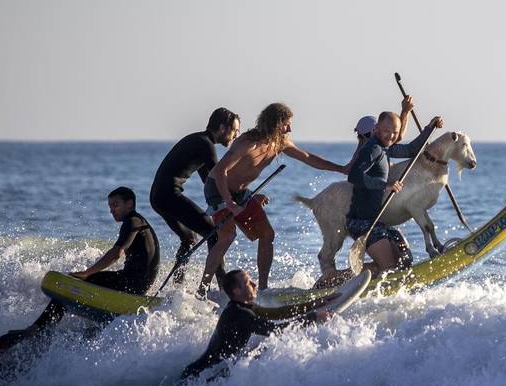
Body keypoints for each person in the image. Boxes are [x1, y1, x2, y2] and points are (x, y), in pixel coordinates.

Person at [198, 102, 348, 296]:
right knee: (228, 236)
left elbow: (308, 157)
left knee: (267, 235)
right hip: (218, 189)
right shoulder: (247, 142)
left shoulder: (281, 143)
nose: (290, 129)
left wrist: (341, 169)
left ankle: (262, 289)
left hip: (240, 193)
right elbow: (220, 171)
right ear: (275, 123)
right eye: (287, 124)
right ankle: (202, 290)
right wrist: (229, 203)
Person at [0, 187, 160, 353]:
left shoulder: (132, 221)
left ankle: (38, 329)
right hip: (136, 283)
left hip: (131, 283)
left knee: (78, 284)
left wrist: (88, 272)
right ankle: (82, 335)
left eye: (115, 205)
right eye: (110, 206)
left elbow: (116, 253)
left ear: (129, 204)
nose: (111, 210)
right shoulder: (138, 222)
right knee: (86, 285)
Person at [181, 269, 330, 381]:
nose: (255, 284)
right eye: (249, 283)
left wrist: (316, 303)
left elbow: (277, 313)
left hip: (205, 374)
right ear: (237, 291)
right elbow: (276, 330)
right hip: (199, 377)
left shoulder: (242, 307)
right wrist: (313, 317)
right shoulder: (240, 314)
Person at [150, 107, 240, 286]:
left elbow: (208, 181)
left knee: (189, 238)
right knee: (213, 234)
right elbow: (217, 181)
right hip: (168, 196)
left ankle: (177, 286)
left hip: (158, 197)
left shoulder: (200, 141)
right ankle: (220, 287)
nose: (236, 136)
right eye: (235, 131)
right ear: (223, 128)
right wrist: (237, 198)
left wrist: (227, 199)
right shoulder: (205, 144)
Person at [346, 112, 444, 274]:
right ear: (376, 128)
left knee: (405, 261)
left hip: (378, 221)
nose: (391, 135)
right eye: (386, 131)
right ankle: (333, 280)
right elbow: (354, 176)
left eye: (395, 132)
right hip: (361, 222)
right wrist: (385, 184)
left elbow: (412, 150)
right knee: (389, 269)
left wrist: (430, 127)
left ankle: (367, 276)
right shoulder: (372, 149)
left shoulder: (386, 148)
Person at [348, 95, 414, 166]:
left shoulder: (377, 144)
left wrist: (405, 111)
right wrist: (405, 111)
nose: (375, 134)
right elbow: (348, 170)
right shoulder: (371, 148)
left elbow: (398, 138)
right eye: (386, 131)